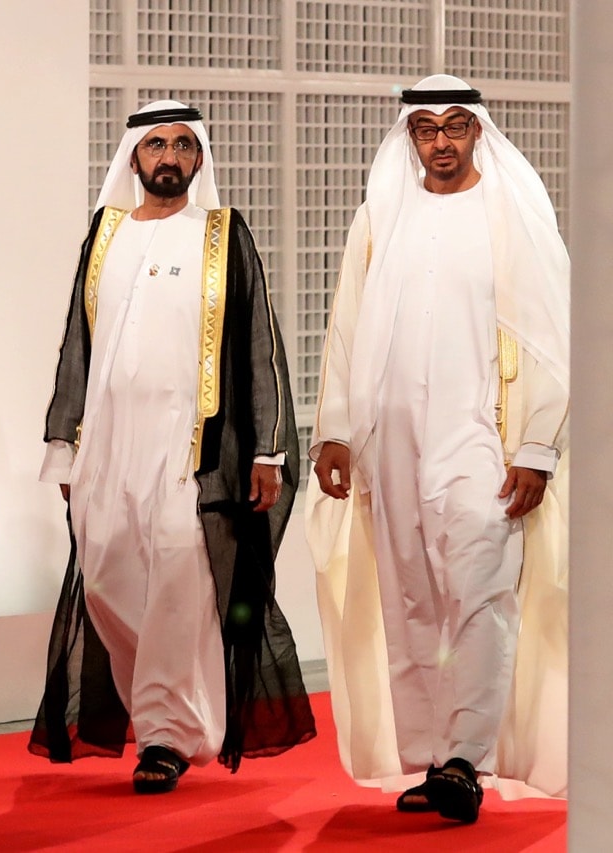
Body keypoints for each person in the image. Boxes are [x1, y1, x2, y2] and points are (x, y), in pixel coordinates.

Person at [28, 100, 315, 794]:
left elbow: (259, 345)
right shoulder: (107, 234)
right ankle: (163, 710)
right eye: (156, 144)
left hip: (193, 449)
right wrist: (63, 444)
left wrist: (268, 449)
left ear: (199, 158)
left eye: (184, 145)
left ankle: (164, 734)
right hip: (107, 442)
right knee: (105, 577)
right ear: (133, 157)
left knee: (179, 581)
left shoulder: (222, 235)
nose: (170, 157)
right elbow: (77, 344)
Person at [307, 75, 569, 824]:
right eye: (427, 128)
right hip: (391, 438)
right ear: (411, 136)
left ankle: (468, 757)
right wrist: (335, 429)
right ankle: (434, 757)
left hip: (480, 432)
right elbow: (346, 327)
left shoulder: (510, 216)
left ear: (478, 131)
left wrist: (538, 444)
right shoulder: (381, 215)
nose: (442, 140)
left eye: (456, 125)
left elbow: (550, 337)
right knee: (411, 595)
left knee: (480, 588)